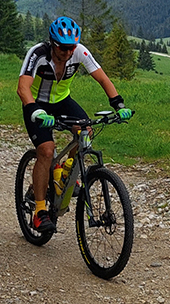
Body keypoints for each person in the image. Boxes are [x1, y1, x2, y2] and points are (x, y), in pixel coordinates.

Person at [19, 16, 131, 233]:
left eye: (72, 47)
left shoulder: (79, 51)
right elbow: (23, 88)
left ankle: (66, 174)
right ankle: (40, 211)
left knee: (86, 132)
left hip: (62, 101)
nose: (68, 52)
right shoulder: (38, 54)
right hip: (36, 104)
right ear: (53, 43)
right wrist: (34, 110)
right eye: (63, 48)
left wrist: (118, 104)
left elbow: (102, 78)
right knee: (46, 151)